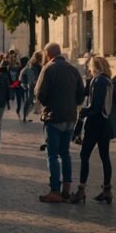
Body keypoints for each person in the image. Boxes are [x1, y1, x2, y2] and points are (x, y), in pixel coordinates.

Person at [35, 43, 84, 203]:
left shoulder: (49, 68)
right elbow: (81, 96)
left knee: (52, 154)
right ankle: (67, 189)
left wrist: (49, 104)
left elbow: (40, 93)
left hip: (54, 116)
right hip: (70, 117)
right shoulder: (73, 69)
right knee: (66, 153)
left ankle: (55, 190)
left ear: (48, 54)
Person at [69, 56, 114, 205]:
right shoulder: (108, 80)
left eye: (90, 66)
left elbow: (96, 106)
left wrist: (83, 113)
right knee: (104, 157)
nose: (88, 69)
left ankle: (81, 190)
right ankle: (107, 190)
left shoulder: (99, 81)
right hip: (105, 123)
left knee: (85, 155)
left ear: (95, 66)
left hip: (96, 123)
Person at [21, 52, 43, 123]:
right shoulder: (33, 65)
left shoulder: (33, 64)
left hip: (34, 84)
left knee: (32, 100)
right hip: (33, 84)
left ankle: (26, 115)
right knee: (30, 100)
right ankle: (25, 115)